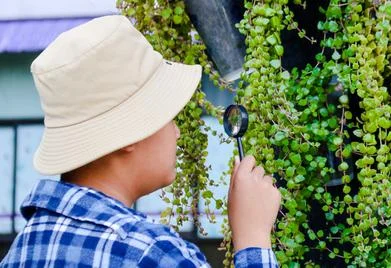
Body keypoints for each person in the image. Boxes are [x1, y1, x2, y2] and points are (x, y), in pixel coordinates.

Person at [0, 15, 281, 267]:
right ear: (127, 133)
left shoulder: (22, 249)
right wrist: (253, 239)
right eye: (169, 116)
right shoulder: (154, 255)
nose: (177, 132)